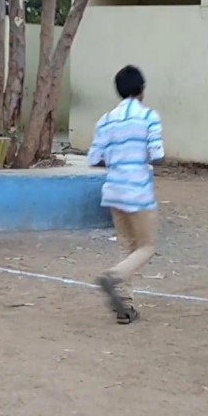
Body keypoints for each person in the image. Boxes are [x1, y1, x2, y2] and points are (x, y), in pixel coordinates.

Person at [87, 65, 165, 324]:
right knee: (146, 247)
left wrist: (117, 159)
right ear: (142, 90)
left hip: (113, 191)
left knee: (127, 247)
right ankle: (113, 276)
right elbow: (158, 155)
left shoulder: (106, 120)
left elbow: (94, 158)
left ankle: (126, 306)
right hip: (139, 192)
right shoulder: (148, 117)